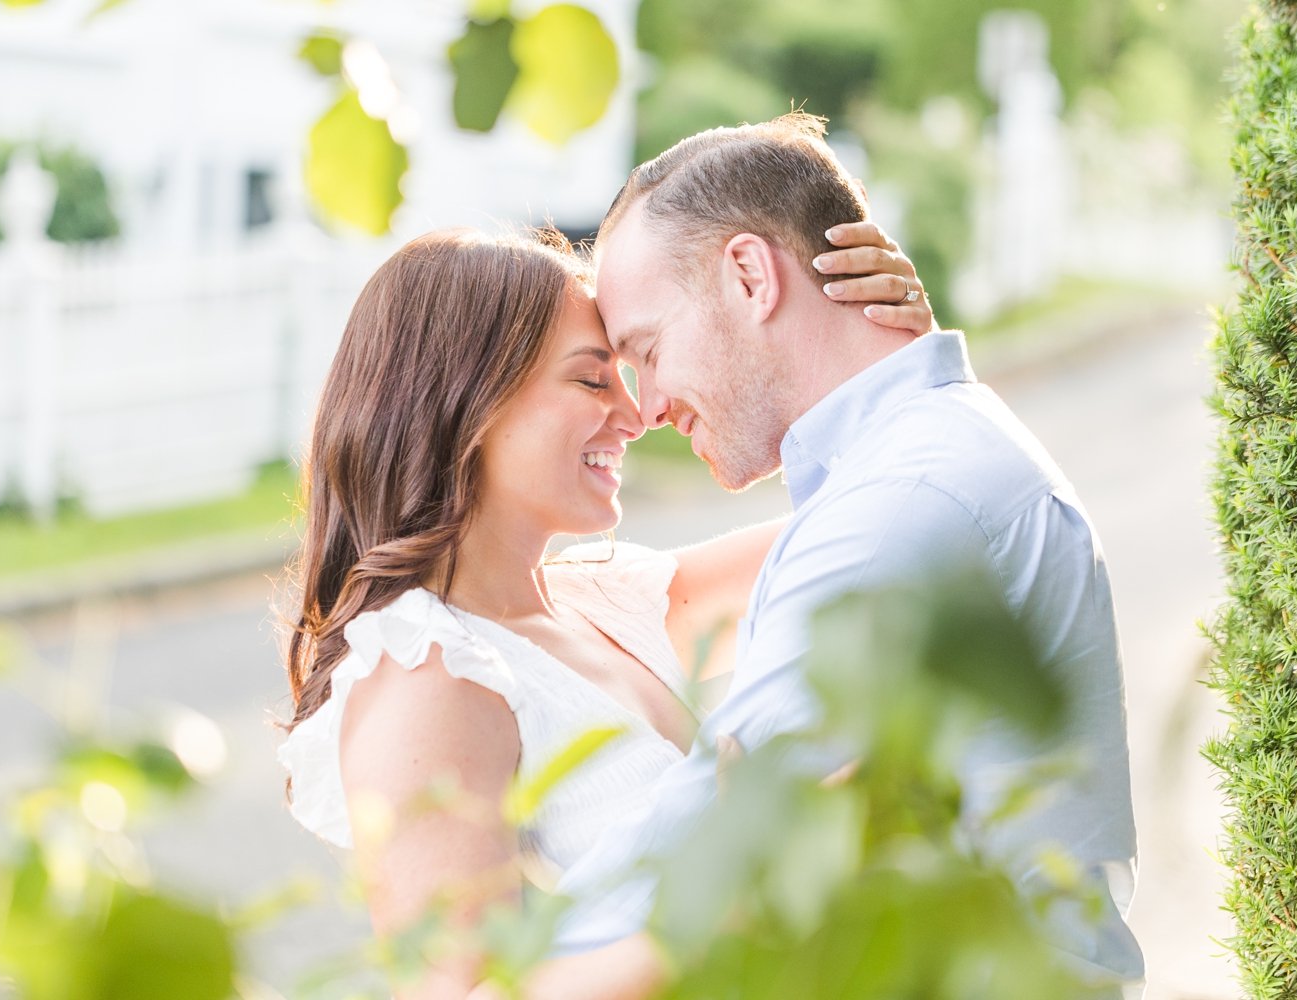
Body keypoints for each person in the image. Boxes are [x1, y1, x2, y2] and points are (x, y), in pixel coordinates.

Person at [544, 110, 1144, 996]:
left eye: (647, 351)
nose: (650, 405)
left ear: (750, 275)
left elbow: (722, 840)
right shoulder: (905, 470)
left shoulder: (903, 500)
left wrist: (510, 970)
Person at [276, 222, 933, 999]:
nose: (635, 410)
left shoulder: (604, 602)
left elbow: (890, 525)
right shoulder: (429, 673)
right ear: (468, 403)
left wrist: (897, 362)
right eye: (592, 381)